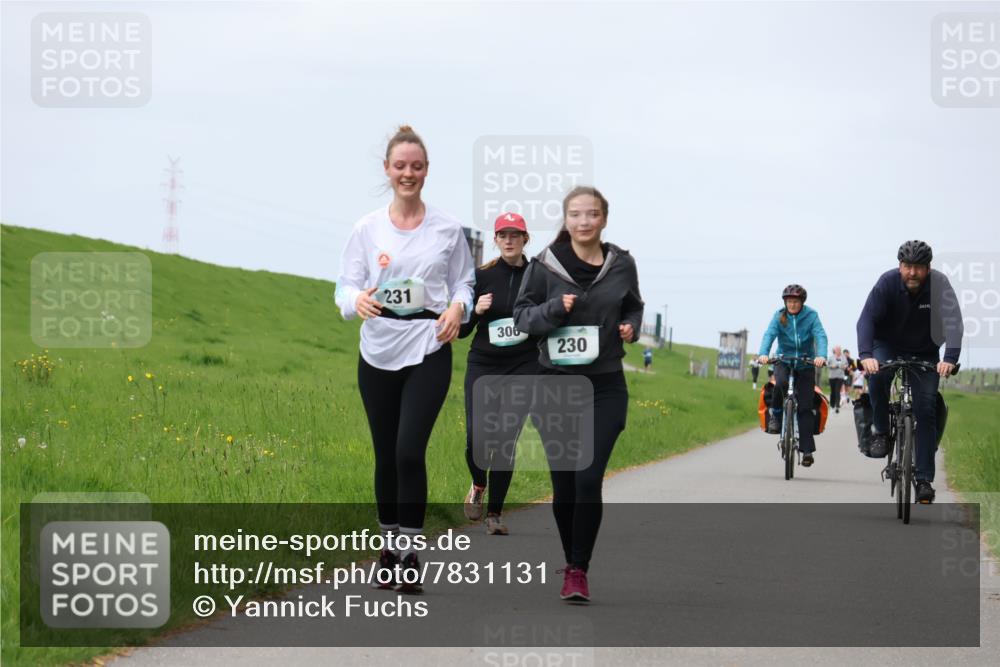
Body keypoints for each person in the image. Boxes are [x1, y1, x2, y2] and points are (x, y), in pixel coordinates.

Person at [335, 125, 475, 592]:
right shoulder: (367, 228)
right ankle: (388, 546)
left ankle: (409, 551)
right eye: (401, 166)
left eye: (416, 166)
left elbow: (465, 284)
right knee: (385, 454)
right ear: (388, 170)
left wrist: (458, 307)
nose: (408, 173)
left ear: (427, 171)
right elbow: (344, 285)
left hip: (428, 344)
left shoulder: (448, 229)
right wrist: (356, 301)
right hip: (377, 348)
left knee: (409, 450)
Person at [514, 185, 644, 602]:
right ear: (565, 220)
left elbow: (633, 305)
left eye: (591, 214)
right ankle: (570, 555)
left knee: (588, 477)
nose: (583, 222)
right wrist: (554, 310)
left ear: (604, 219)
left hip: (605, 385)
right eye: (575, 215)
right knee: (565, 485)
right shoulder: (544, 266)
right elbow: (521, 318)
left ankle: (577, 569)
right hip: (554, 386)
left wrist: (631, 326)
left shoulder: (622, 263)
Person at [857, 240, 963, 504]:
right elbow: (866, 320)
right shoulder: (886, 283)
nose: (912, 273)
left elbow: (954, 322)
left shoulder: (940, 285)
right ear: (899, 266)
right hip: (887, 345)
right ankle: (881, 431)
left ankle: (924, 479)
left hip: (925, 351)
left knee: (925, 408)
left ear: (928, 268)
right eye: (907, 267)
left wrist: (949, 358)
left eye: (918, 267)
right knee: (878, 376)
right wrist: (866, 356)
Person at [457, 212, 540, 535]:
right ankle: (479, 484)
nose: (508, 240)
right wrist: (475, 311)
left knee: (506, 438)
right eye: (502, 235)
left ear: (525, 239)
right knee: (476, 436)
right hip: (484, 364)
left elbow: (549, 320)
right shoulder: (481, 276)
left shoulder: (538, 278)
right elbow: (462, 331)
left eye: (515, 235)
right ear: (495, 240)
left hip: (523, 366)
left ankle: (494, 515)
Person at [756, 284, 828, 467]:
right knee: (779, 383)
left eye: (795, 301)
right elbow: (769, 334)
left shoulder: (811, 315)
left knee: (805, 406)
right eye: (789, 301)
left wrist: (821, 355)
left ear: (802, 302)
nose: (792, 305)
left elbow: (820, 335)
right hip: (784, 360)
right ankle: (776, 416)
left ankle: (807, 451)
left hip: (806, 363)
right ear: (785, 302)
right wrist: (763, 353)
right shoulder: (779, 315)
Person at [827, 345, 849, 413]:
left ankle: (837, 406)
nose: (839, 351)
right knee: (833, 391)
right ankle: (832, 405)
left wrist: (844, 366)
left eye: (840, 349)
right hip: (832, 377)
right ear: (835, 350)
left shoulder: (843, 357)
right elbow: (827, 365)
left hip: (840, 377)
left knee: (837, 391)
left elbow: (846, 365)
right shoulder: (831, 357)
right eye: (837, 350)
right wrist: (833, 366)